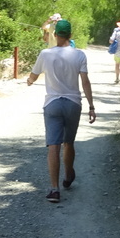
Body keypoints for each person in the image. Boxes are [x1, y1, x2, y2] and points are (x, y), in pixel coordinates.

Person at [27, 18, 95, 203]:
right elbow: (85, 82)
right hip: (73, 103)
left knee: (53, 146)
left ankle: (54, 189)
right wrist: (91, 106)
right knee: (69, 143)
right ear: (71, 35)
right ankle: (68, 175)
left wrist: (29, 81)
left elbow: (33, 75)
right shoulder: (80, 55)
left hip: (53, 104)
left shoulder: (45, 54)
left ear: (55, 35)